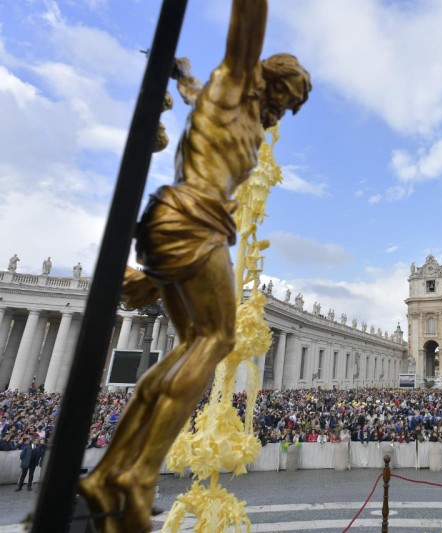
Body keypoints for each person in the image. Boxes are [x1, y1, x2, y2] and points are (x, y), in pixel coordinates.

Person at [77, 1, 311, 531]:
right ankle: (139, 475)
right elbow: (249, 16)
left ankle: (109, 471)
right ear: (268, 78)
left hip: (181, 221)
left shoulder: (228, 104)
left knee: (191, 346)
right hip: (193, 220)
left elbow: (193, 96)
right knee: (217, 340)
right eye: (285, 97)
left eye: (290, 107)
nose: (283, 111)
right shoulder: (234, 83)